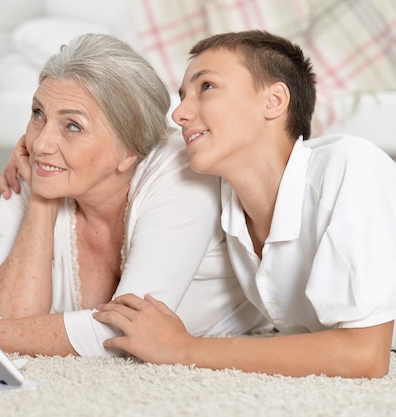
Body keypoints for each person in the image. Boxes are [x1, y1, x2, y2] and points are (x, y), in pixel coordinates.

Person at [93, 30, 396, 378]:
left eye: (206, 86)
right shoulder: (225, 200)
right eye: (182, 96)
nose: (179, 114)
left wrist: (184, 348)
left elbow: (365, 354)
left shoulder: (350, 165)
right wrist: (44, 168)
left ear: (274, 101)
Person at [0, 33, 268, 358]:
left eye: (72, 126)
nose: (41, 143)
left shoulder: (183, 173)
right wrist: (42, 201)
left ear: (129, 151)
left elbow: (128, 332)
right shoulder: (34, 166)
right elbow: (7, 319)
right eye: (38, 113)